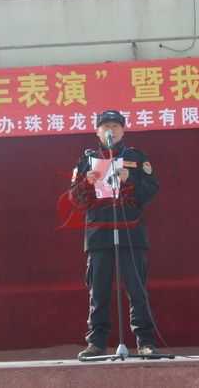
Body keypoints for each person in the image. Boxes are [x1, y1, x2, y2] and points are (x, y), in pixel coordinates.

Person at [68, 109, 160, 360]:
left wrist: (130, 179)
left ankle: (145, 342)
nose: (111, 130)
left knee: (137, 290)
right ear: (97, 132)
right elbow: (75, 199)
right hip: (99, 234)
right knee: (98, 292)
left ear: (123, 130)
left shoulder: (136, 158)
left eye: (116, 126)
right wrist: (86, 184)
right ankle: (96, 343)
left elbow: (151, 190)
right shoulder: (87, 160)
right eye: (106, 126)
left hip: (131, 232)